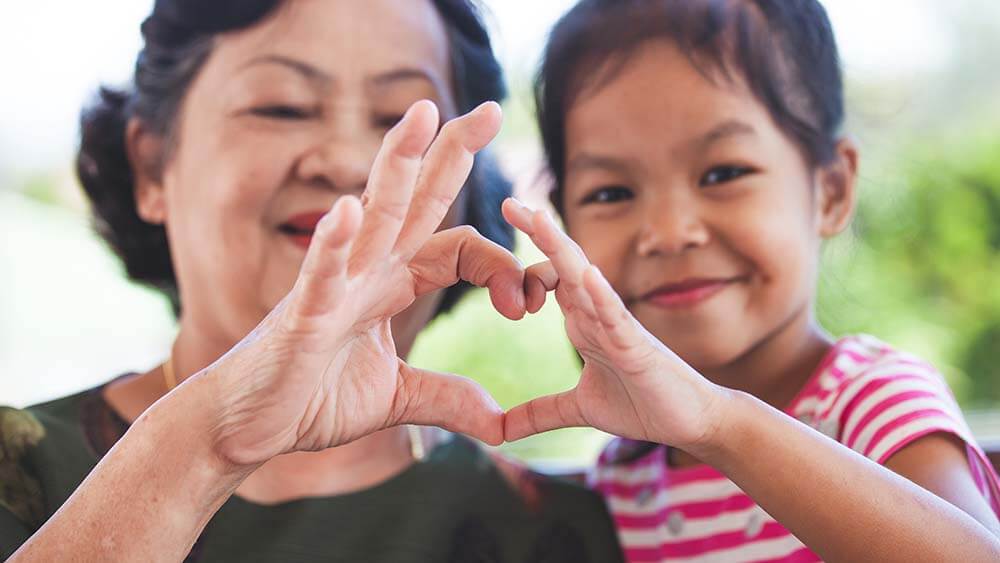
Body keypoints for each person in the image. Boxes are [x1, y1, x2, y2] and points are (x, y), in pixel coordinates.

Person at [0, 1, 623, 561]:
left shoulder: (560, 533)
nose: (351, 160)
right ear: (150, 168)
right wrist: (204, 447)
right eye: (283, 106)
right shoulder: (18, 472)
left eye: (404, 119)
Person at [499, 0, 1000, 560]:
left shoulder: (871, 403)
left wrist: (722, 424)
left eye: (723, 173)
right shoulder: (626, 476)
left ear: (830, 191)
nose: (668, 232)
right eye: (611, 193)